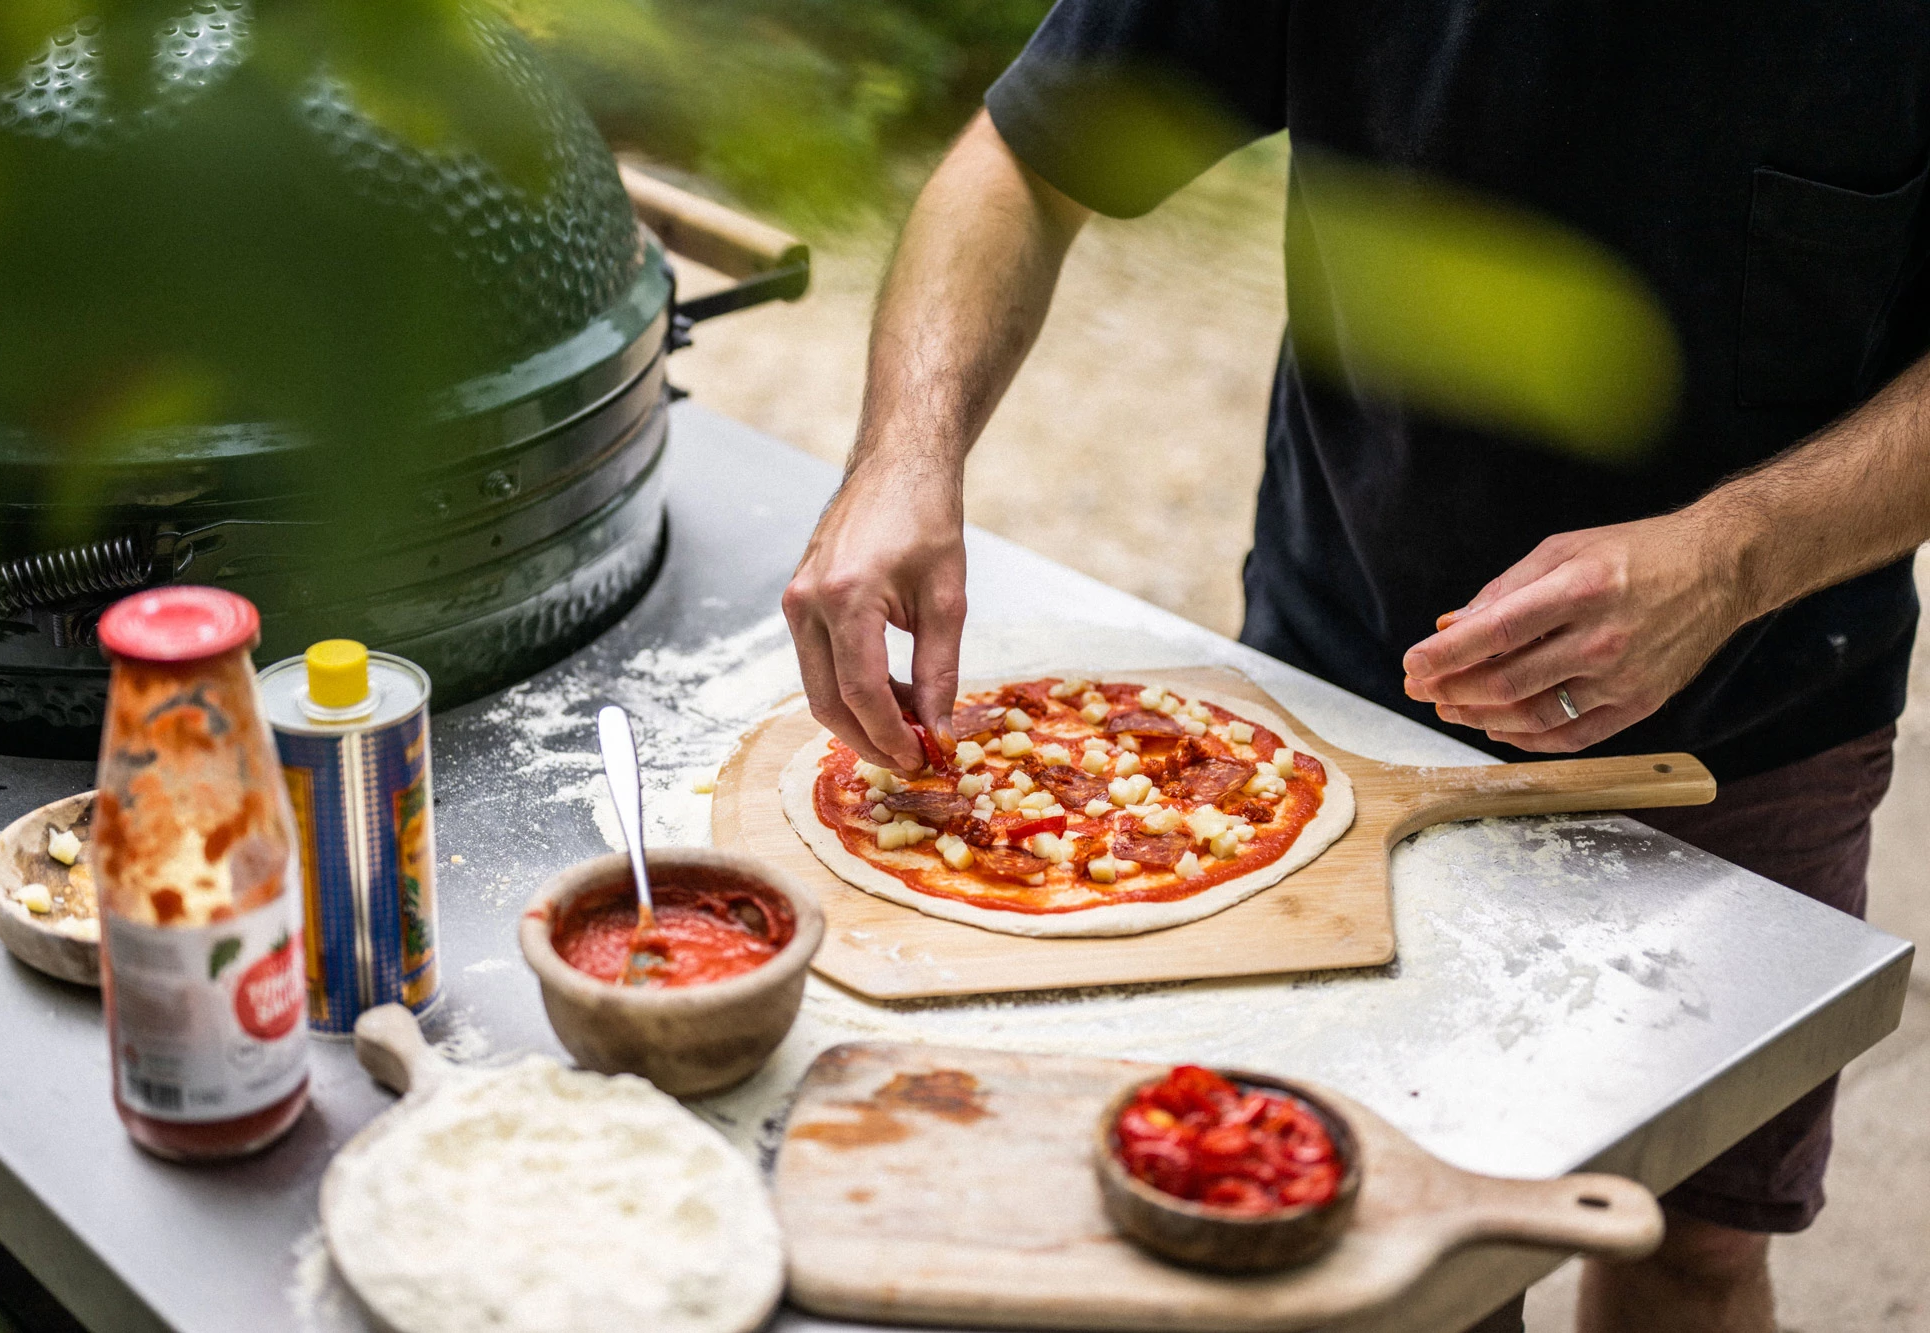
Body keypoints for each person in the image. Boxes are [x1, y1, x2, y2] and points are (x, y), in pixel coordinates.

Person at [781, 4, 1923, 1329]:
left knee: (1693, 1238)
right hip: (1323, 692)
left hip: (1768, 702)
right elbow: (1025, 162)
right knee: (1387, 1251)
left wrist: (1732, 558)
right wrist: (901, 457)